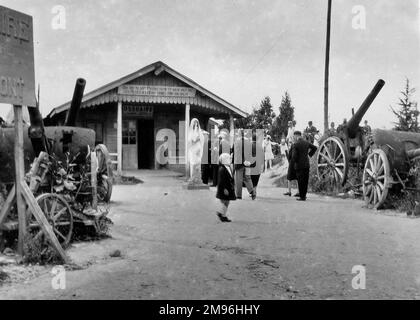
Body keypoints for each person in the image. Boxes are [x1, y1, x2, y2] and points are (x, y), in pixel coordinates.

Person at [292, 131, 318, 201]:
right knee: (305, 181)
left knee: (300, 181)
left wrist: (294, 163)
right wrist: (309, 154)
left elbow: (294, 156)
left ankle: (301, 196)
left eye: (294, 136)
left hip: (299, 165)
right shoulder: (306, 142)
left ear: (296, 136)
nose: (293, 137)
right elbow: (315, 148)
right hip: (306, 164)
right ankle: (304, 196)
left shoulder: (296, 144)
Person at [233, 129, 255, 200]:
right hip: (247, 162)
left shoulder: (236, 141)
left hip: (239, 163)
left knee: (238, 179)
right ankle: (252, 191)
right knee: (247, 178)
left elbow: (235, 152)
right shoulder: (248, 141)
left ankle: (239, 195)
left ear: (239, 134)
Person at [216, 153, 236, 223]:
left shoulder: (228, 167)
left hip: (228, 188)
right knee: (225, 201)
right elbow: (221, 180)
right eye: (229, 158)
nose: (230, 160)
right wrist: (224, 189)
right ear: (224, 160)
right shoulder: (222, 169)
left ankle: (222, 214)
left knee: (226, 202)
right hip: (224, 189)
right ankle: (222, 214)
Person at [250, 130, 264, 195]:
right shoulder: (260, 146)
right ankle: (255, 190)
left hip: (251, 164)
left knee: (251, 177)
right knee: (256, 177)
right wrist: (262, 164)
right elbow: (262, 156)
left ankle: (252, 190)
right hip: (258, 164)